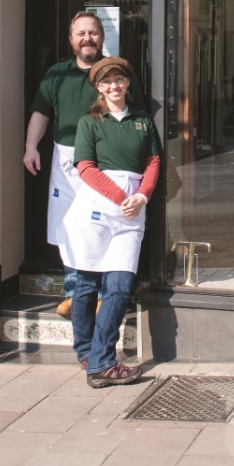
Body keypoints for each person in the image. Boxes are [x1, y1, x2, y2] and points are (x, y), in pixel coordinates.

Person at [58, 56, 160, 387]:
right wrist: (120, 199)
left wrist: (142, 196)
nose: (113, 86)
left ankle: (100, 358)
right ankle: (91, 355)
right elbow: (85, 167)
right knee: (86, 284)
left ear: (128, 83)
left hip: (132, 212)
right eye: (106, 82)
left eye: (118, 80)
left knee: (118, 287)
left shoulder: (143, 121)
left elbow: (153, 160)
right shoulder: (89, 122)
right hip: (97, 211)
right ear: (99, 88)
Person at [23, 11, 106, 316]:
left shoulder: (114, 73)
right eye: (81, 33)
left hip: (104, 161)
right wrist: (31, 146)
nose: (87, 38)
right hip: (65, 162)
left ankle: (101, 296)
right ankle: (75, 294)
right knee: (68, 229)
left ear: (102, 37)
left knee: (100, 227)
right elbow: (41, 112)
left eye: (93, 32)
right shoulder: (56, 74)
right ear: (71, 40)